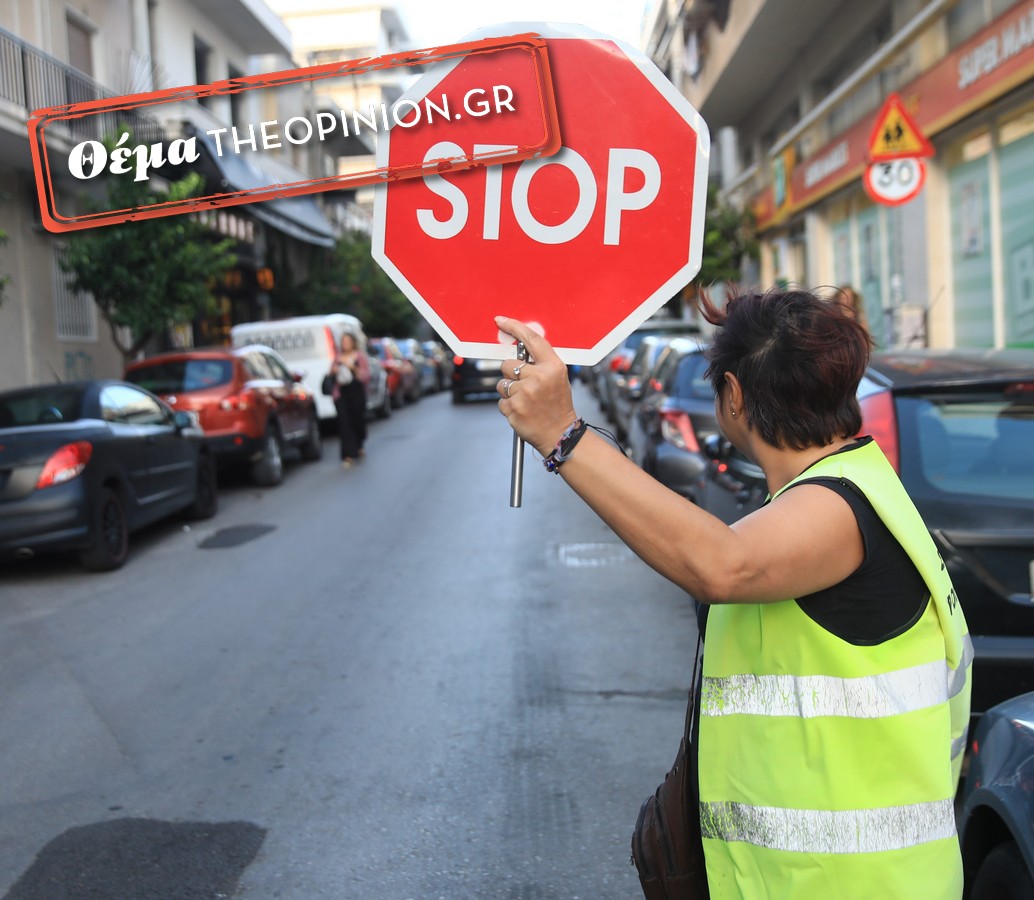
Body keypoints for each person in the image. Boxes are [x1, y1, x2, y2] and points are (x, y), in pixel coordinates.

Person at [495, 287, 972, 899]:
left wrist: (565, 434)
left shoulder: (840, 505)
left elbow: (724, 565)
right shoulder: (847, 486)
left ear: (734, 396)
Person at [330, 330, 369, 469]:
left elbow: (365, 376)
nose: (345, 344)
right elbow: (331, 374)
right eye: (343, 341)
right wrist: (334, 370)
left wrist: (353, 367)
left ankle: (359, 445)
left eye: (348, 341)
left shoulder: (360, 356)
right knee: (344, 422)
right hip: (342, 394)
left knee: (357, 420)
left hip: (356, 393)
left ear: (353, 343)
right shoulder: (338, 357)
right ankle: (347, 455)